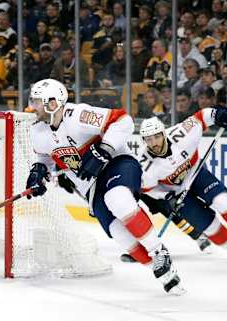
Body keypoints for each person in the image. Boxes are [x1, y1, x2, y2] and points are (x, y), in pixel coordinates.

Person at [25, 78, 185, 295]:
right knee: (118, 233)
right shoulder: (37, 131)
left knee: (117, 199)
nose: (31, 106)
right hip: (90, 186)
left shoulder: (78, 115)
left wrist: (104, 150)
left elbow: (123, 120)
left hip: (117, 164)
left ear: (52, 104)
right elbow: (44, 157)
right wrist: (38, 172)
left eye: (36, 101)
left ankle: (159, 252)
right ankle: (163, 271)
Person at [136, 110, 227, 261]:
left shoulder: (181, 133)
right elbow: (148, 189)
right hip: (176, 193)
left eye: (156, 136)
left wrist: (217, 114)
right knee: (209, 226)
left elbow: (202, 116)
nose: (153, 143)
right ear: (143, 140)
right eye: (148, 139)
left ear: (163, 133)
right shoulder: (144, 165)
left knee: (223, 201)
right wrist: (166, 197)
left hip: (197, 174)